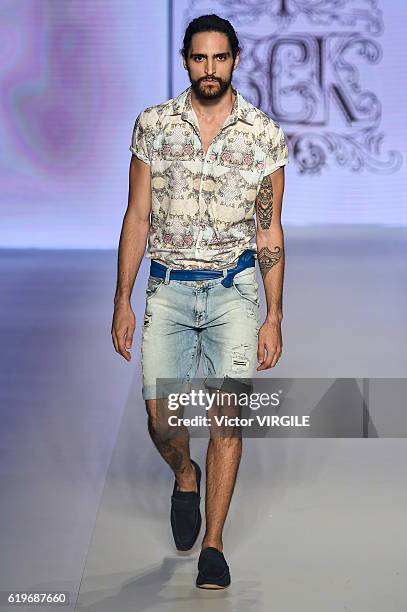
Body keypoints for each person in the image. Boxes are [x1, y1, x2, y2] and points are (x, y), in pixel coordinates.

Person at [111, 13, 288, 590]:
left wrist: (274, 315)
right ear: (185, 61)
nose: (208, 69)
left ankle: (213, 544)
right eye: (198, 58)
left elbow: (269, 231)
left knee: (226, 420)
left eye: (219, 58)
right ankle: (184, 474)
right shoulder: (154, 126)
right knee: (162, 420)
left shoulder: (264, 135)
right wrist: (122, 299)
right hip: (167, 286)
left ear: (235, 59)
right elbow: (137, 216)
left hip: (235, 290)